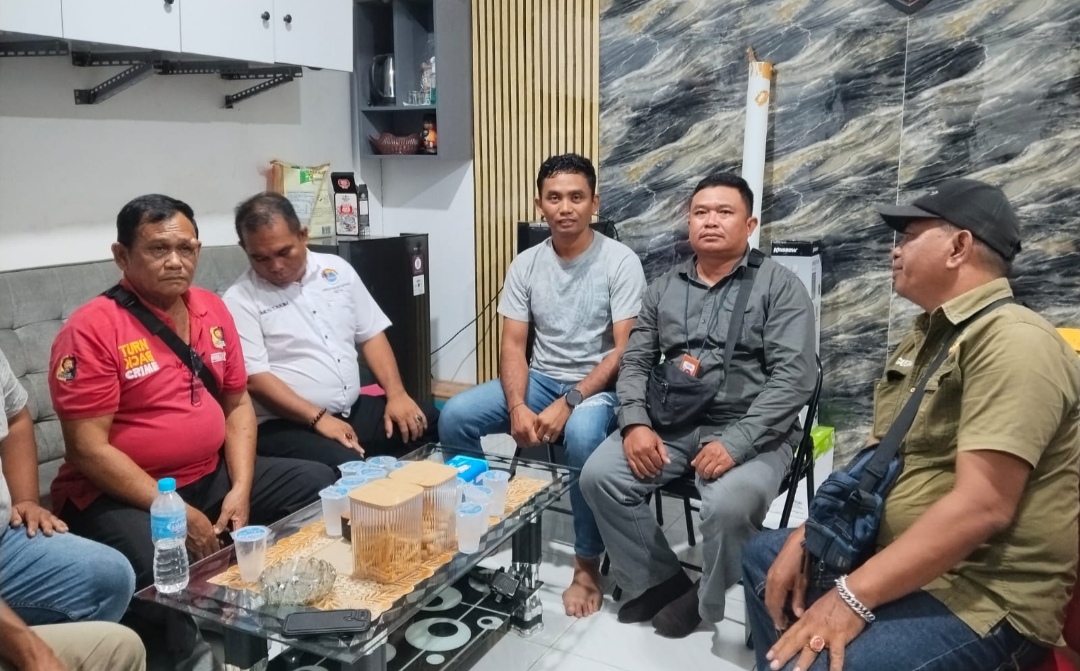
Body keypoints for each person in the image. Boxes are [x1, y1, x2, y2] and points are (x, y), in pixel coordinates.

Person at [742, 178, 1079, 671]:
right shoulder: (929, 336)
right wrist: (812, 531)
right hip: (893, 547)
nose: (894, 250)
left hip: (978, 590)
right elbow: (877, 454)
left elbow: (983, 507)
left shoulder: (1015, 342)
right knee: (762, 557)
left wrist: (851, 597)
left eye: (909, 236)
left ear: (959, 246)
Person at [48, 194, 336, 668]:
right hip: (120, 494)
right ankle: (189, 656)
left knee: (316, 483)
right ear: (122, 255)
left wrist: (241, 488)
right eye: (158, 249)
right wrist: (178, 513)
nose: (176, 261)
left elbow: (238, 404)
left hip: (207, 474)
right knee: (157, 563)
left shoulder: (212, 309)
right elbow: (87, 450)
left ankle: (279, 613)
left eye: (186, 248)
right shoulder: (91, 330)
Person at [580, 172, 817, 640]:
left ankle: (703, 600)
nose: (710, 221)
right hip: (671, 421)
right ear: (688, 222)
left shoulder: (780, 287)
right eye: (700, 212)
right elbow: (635, 361)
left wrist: (736, 442)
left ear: (749, 225)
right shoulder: (664, 287)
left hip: (753, 428)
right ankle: (662, 580)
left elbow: (795, 379)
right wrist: (634, 423)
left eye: (724, 212)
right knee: (599, 476)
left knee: (730, 506)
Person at [439, 153, 647, 618]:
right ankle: (482, 520)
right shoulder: (526, 264)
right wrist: (517, 405)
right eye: (554, 197)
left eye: (576, 197)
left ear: (595, 202)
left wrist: (570, 401)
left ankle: (586, 565)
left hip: (600, 387)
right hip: (541, 379)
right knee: (454, 416)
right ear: (539, 204)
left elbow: (624, 353)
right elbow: (513, 346)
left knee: (583, 435)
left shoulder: (620, 262)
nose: (565, 207)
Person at [223, 192, 438, 470]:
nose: (275, 266)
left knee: (428, 420)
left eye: (284, 252)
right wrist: (318, 418)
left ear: (302, 235)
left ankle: (401, 490)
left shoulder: (337, 270)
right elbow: (256, 379)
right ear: (244, 249)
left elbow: (371, 335)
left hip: (350, 410)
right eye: (260, 258)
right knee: (347, 465)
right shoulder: (239, 299)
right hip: (286, 424)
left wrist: (397, 394)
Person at [0, 347, 144, 671]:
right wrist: (30, 650)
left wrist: (26, 499)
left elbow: (15, 415)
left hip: (5, 543)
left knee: (110, 577)